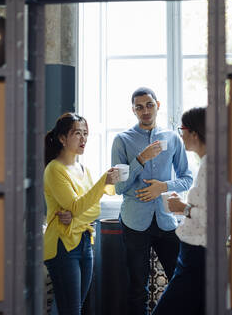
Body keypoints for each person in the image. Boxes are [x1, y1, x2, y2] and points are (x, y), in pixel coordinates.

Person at [111, 87, 193, 315]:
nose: (145, 111)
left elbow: (187, 178)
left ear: (158, 105)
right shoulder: (121, 141)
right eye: (139, 107)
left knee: (179, 281)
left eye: (149, 105)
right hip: (134, 223)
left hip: (167, 221)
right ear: (133, 110)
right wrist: (141, 159)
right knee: (137, 287)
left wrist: (163, 187)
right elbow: (119, 188)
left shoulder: (173, 138)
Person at [43, 112, 119, 315]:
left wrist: (76, 215)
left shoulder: (83, 169)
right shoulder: (54, 169)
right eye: (77, 133)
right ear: (62, 138)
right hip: (62, 245)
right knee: (71, 310)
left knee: (70, 308)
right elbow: (79, 206)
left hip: (85, 242)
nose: (83, 138)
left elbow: (93, 208)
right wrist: (103, 182)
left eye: (86, 133)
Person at [151, 107, 207, 315]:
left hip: (197, 252)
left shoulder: (210, 167)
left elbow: (217, 217)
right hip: (196, 250)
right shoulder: (208, 164)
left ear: (193, 133)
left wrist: (182, 208)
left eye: (181, 129)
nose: (179, 134)